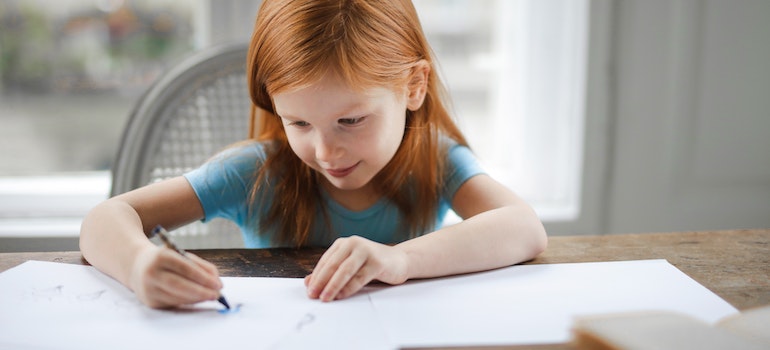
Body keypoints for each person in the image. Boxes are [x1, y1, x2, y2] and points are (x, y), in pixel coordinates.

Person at [79, 0, 547, 309]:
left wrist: (400, 261)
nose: (325, 151)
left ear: (414, 86)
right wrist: (139, 264)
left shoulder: (436, 161)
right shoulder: (255, 172)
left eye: (351, 121)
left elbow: (524, 229)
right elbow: (105, 219)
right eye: (298, 123)